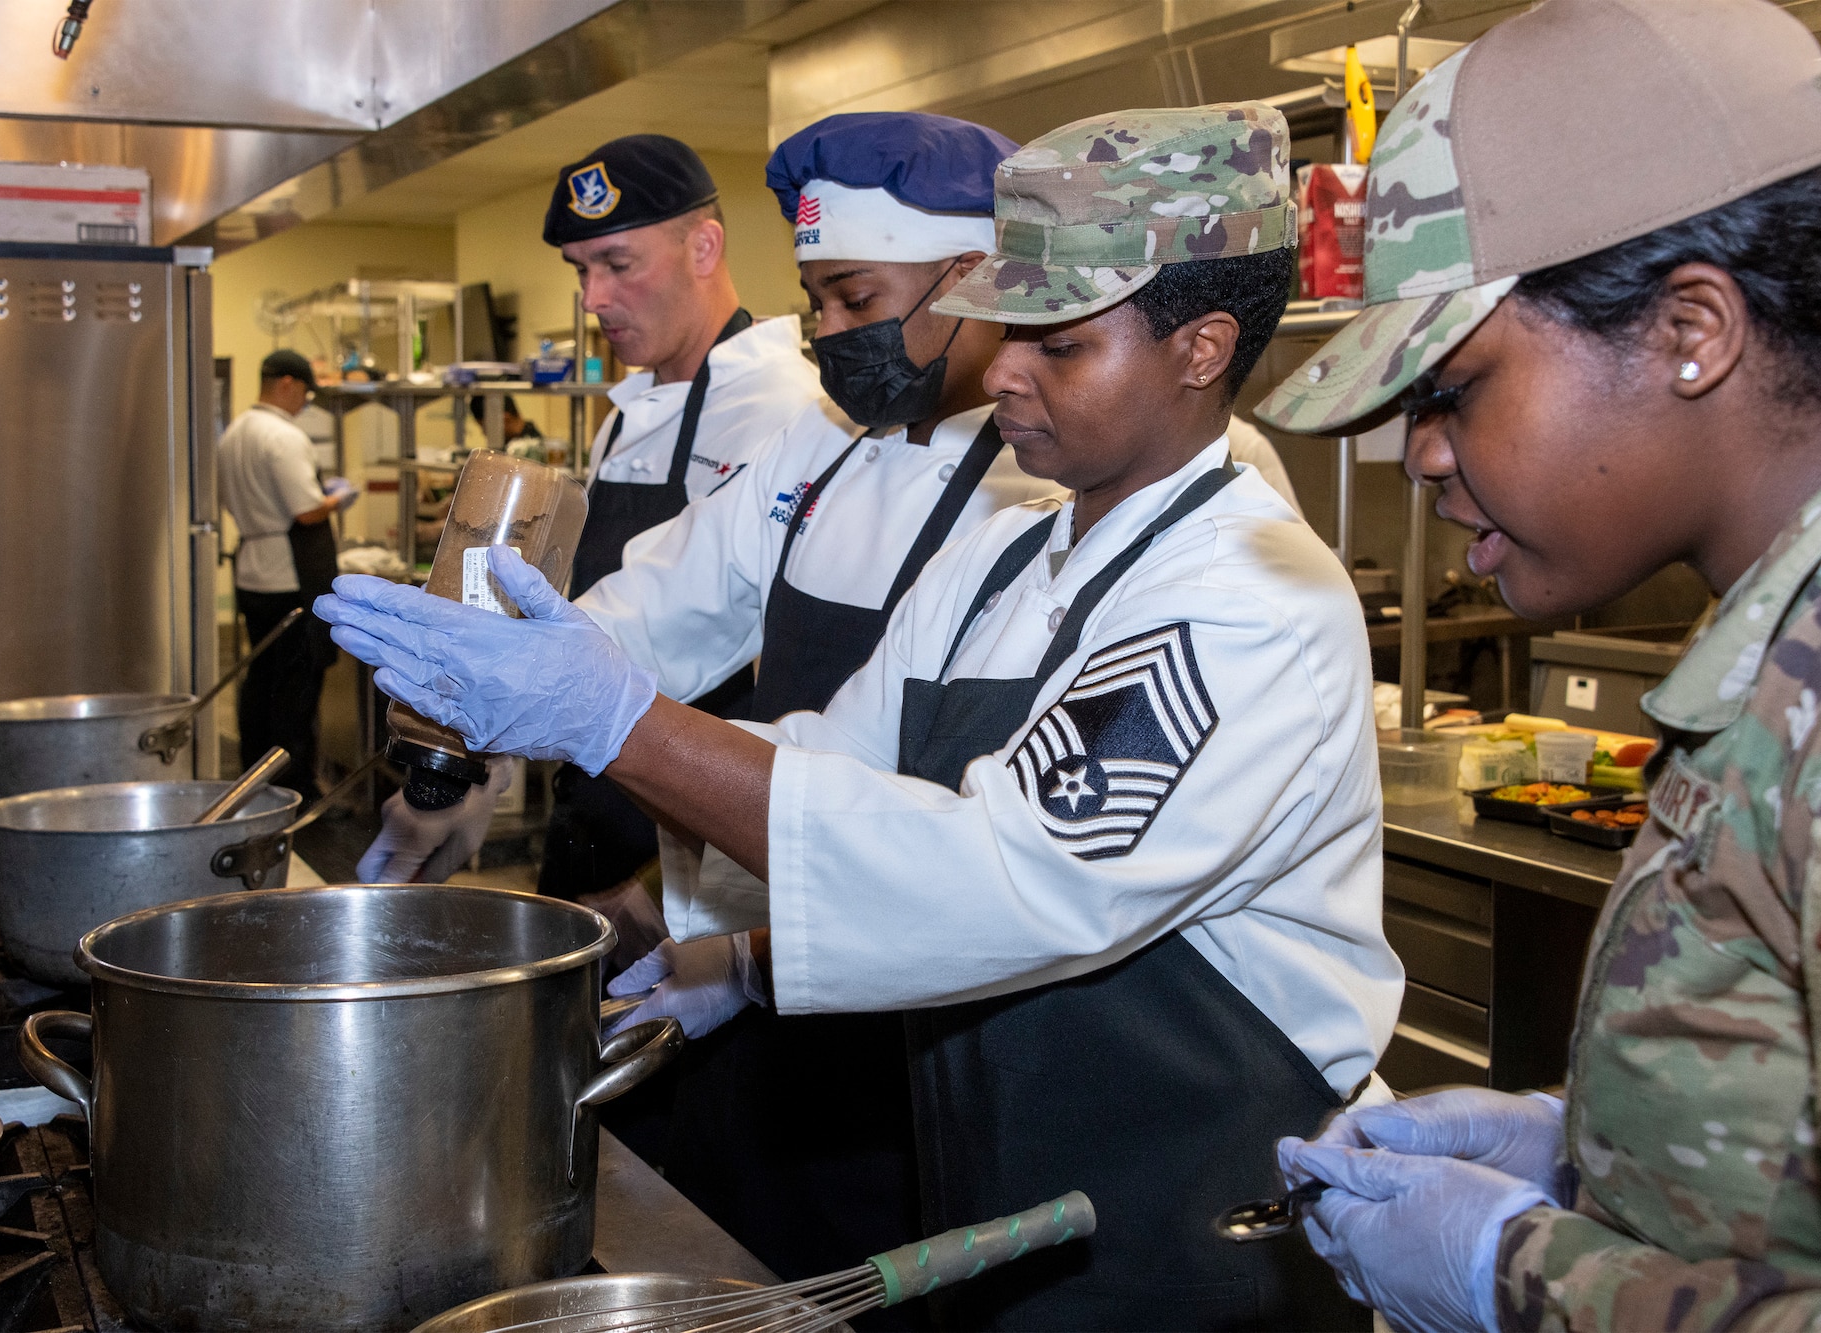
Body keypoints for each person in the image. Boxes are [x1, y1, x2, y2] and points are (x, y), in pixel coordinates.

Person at [321, 102, 1400, 1329]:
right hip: (1006, 1161)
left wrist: (617, 722)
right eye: (1009, 328)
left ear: (1201, 349)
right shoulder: (1016, 548)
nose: (1000, 369)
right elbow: (831, 757)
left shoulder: (1243, 596)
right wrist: (699, 926)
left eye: (1057, 343)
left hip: (1186, 1209)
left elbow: (1000, 875)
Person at [1254, 2, 1821, 1330]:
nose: (1423, 455)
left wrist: (1528, 1277)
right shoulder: (1804, 636)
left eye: (1454, 387)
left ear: (1689, 330)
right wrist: (1606, 1145)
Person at [362, 110, 1064, 1287]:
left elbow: (928, 800)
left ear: (979, 276)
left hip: (919, 992)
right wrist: (481, 711)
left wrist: (724, 936)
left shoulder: (1045, 480)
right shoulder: (824, 439)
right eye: (816, 304)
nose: (830, 337)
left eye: (853, 298)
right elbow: (669, 601)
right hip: (768, 897)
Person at [540, 133, 824, 901]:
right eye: (581, 271)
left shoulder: (783, 408)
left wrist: (668, 890)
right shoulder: (628, 415)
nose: (593, 299)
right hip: (591, 801)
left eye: (617, 264)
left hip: (690, 850)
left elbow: (780, 675)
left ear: (705, 247)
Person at [216, 348, 356, 798]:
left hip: (252, 571)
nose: (305, 403)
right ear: (287, 384)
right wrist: (338, 497)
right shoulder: (283, 436)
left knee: (260, 683)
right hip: (289, 575)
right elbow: (308, 512)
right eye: (306, 393)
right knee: (295, 688)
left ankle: (253, 779)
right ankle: (294, 790)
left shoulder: (234, 432)